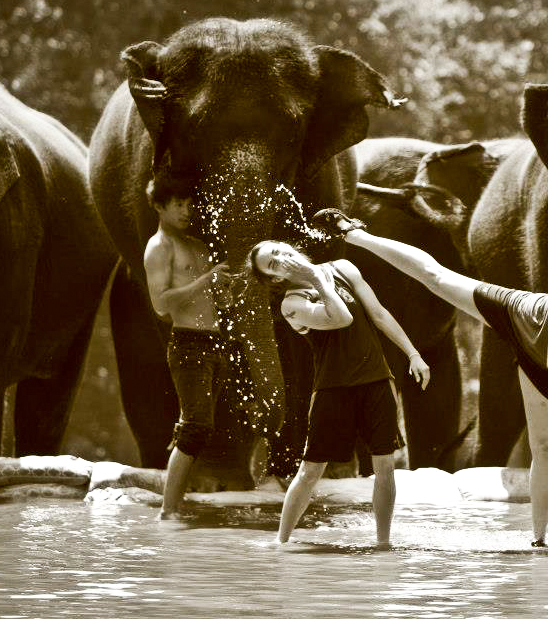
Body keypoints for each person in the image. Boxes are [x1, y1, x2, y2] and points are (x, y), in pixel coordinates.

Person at [311, 208, 548, 547]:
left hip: (543, 363)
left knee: (544, 447)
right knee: (435, 276)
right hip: (517, 311)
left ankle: (539, 540)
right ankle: (355, 234)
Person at [248, 240, 430, 548]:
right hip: (333, 389)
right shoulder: (291, 304)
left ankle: (383, 544)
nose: (281, 258)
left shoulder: (344, 269)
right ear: (276, 279)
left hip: (375, 380)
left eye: (278, 250)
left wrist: (412, 353)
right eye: (273, 264)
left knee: (385, 467)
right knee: (310, 470)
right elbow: (341, 318)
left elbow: (379, 314)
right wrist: (316, 277)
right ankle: (281, 544)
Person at [144, 191, 235, 520]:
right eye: (178, 202)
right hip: (187, 342)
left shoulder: (198, 244)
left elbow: (217, 301)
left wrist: (222, 290)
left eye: (188, 203)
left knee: (197, 427)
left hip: (215, 342)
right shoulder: (159, 247)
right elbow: (161, 304)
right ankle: (167, 513)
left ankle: (175, 499)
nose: (186, 209)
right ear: (158, 204)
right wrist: (206, 280)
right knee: (195, 427)